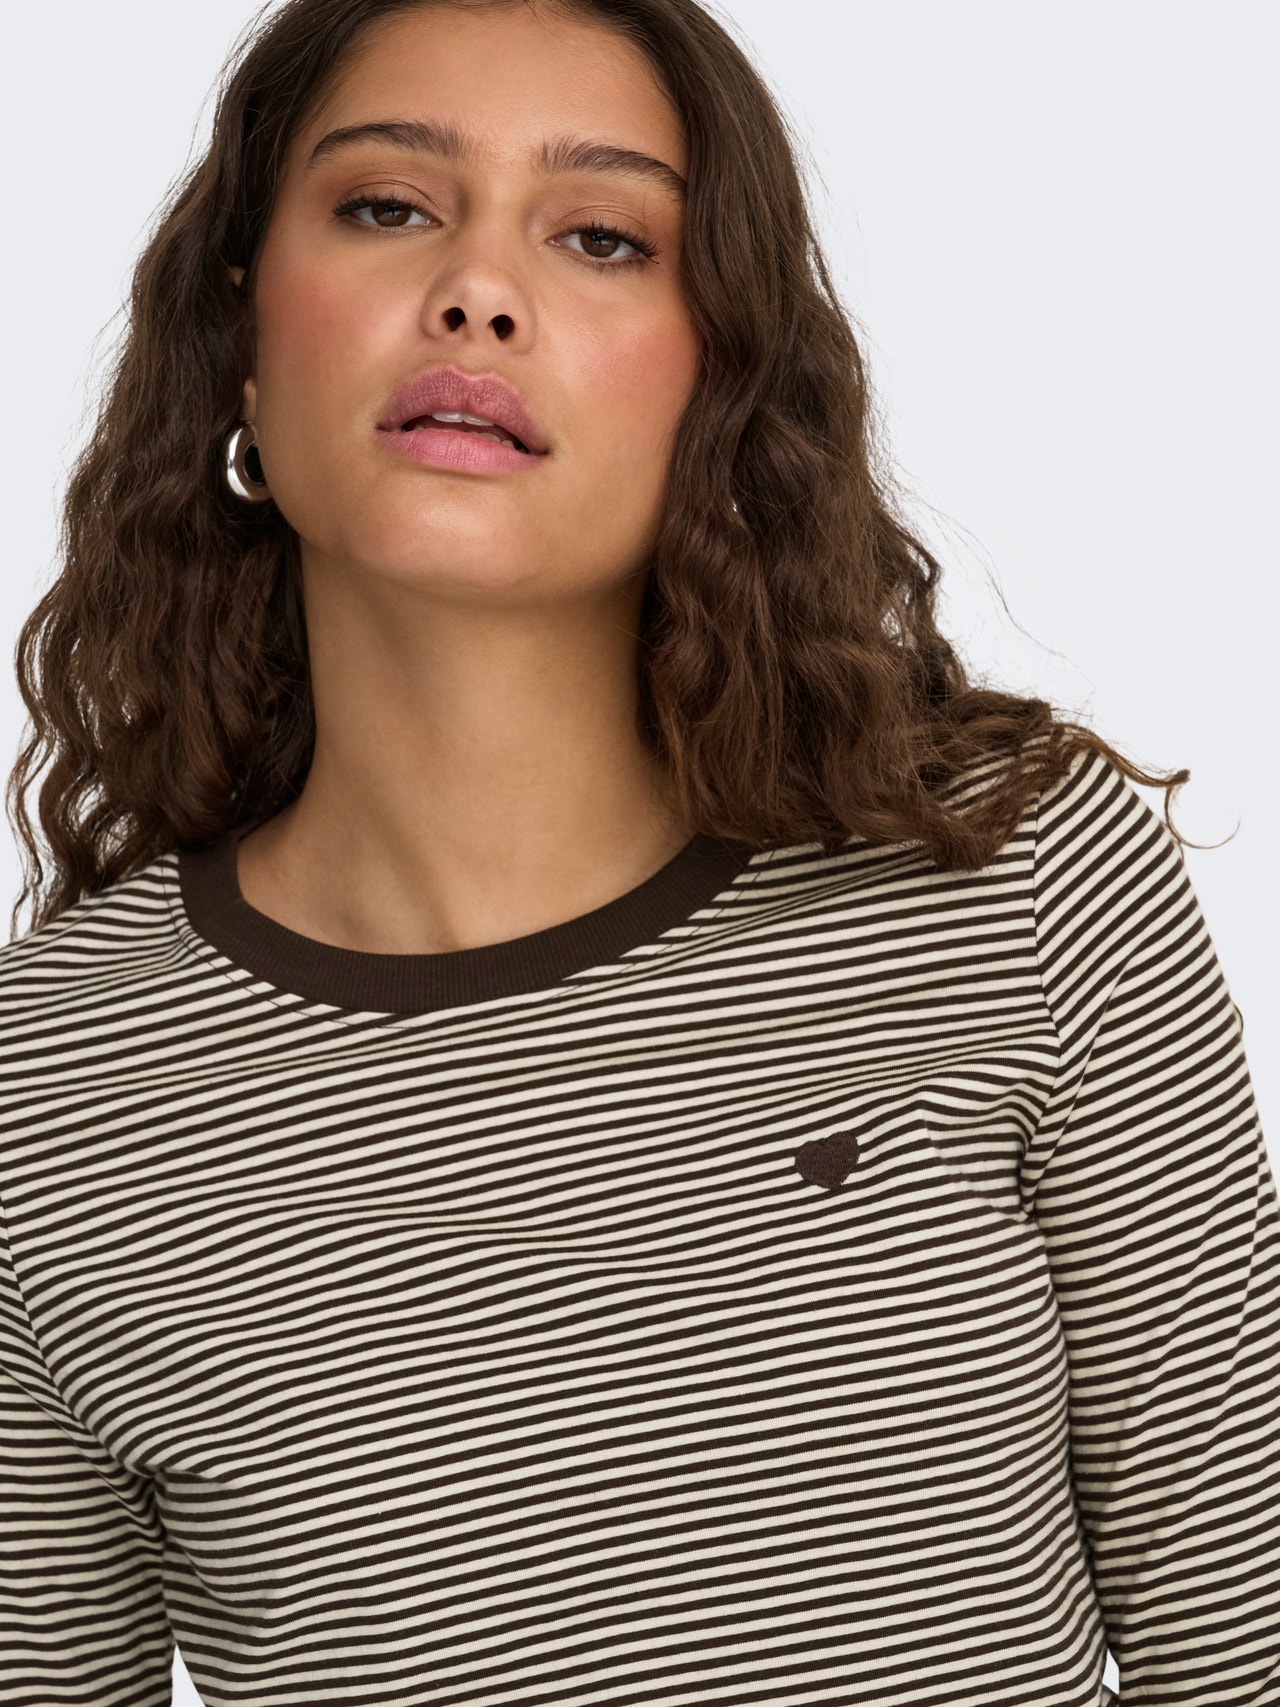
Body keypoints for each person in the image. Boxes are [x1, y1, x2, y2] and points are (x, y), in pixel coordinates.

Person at [1, 0, 1275, 1701]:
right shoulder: (46, 1092)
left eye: (602, 236)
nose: (477, 288)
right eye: (387, 205)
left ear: (716, 375)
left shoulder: (1013, 876)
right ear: (240, 331)